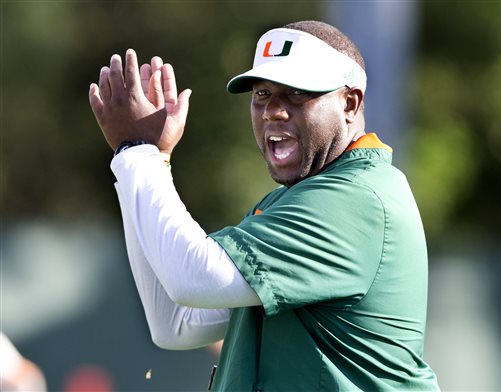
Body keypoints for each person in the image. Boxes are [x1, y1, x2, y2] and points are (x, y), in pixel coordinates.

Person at [89, 20, 440, 391]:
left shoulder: (356, 198)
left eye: (296, 93)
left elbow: (194, 278)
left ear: (349, 103)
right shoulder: (296, 199)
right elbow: (175, 322)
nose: (273, 110)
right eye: (262, 94)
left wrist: (138, 155)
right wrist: (146, 159)